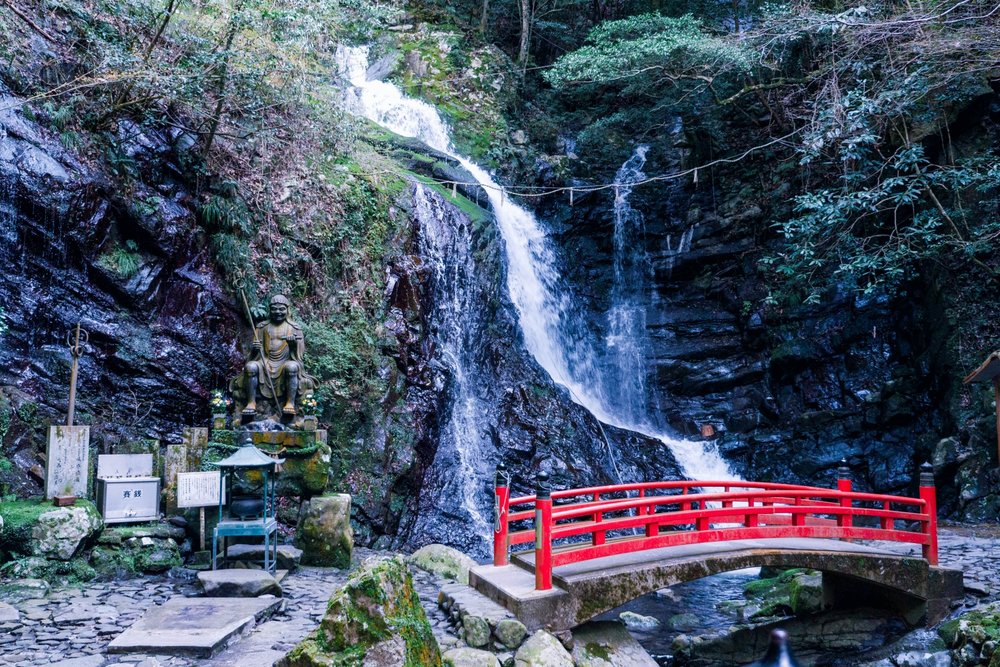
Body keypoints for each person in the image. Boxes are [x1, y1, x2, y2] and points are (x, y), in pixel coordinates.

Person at [242, 294, 309, 418]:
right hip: (265, 361)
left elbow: (300, 353)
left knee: (292, 367)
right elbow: (254, 352)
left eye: (281, 309)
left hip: (285, 361)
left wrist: (293, 344)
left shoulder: (294, 328)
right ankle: (251, 402)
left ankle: (290, 403)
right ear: (270, 310)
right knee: (251, 367)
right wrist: (255, 349)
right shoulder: (262, 327)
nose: (278, 312)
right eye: (274, 309)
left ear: (287, 310)